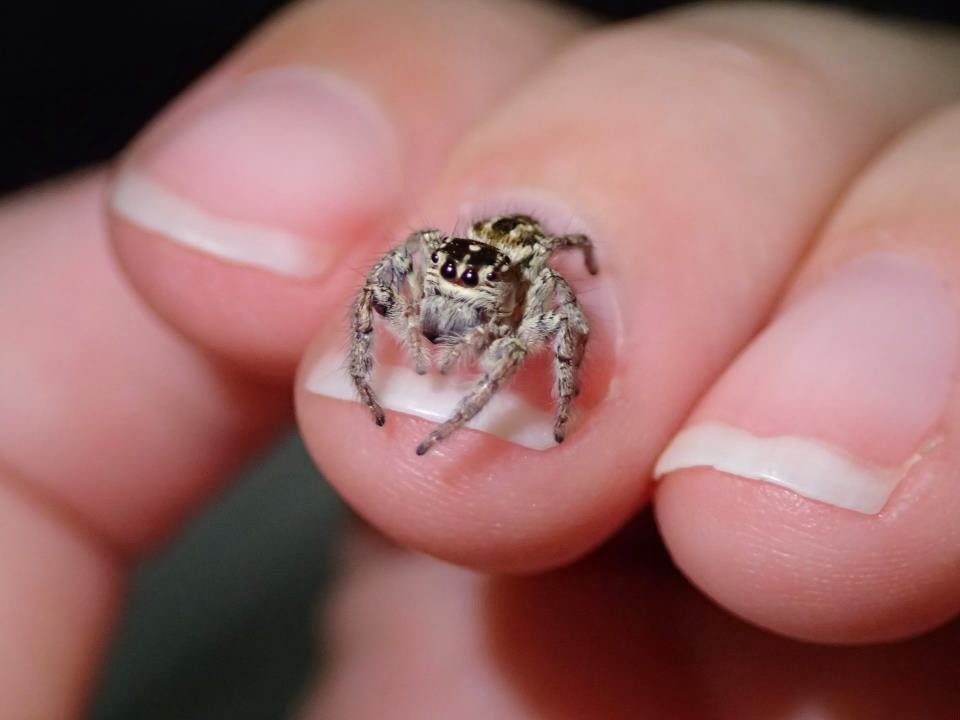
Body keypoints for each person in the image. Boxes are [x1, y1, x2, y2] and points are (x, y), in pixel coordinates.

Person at [4, 0, 960, 716]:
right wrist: (385, 369)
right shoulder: (430, 256)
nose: (453, 308)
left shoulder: (540, 274)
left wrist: (520, 407)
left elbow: (566, 290)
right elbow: (403, 267)